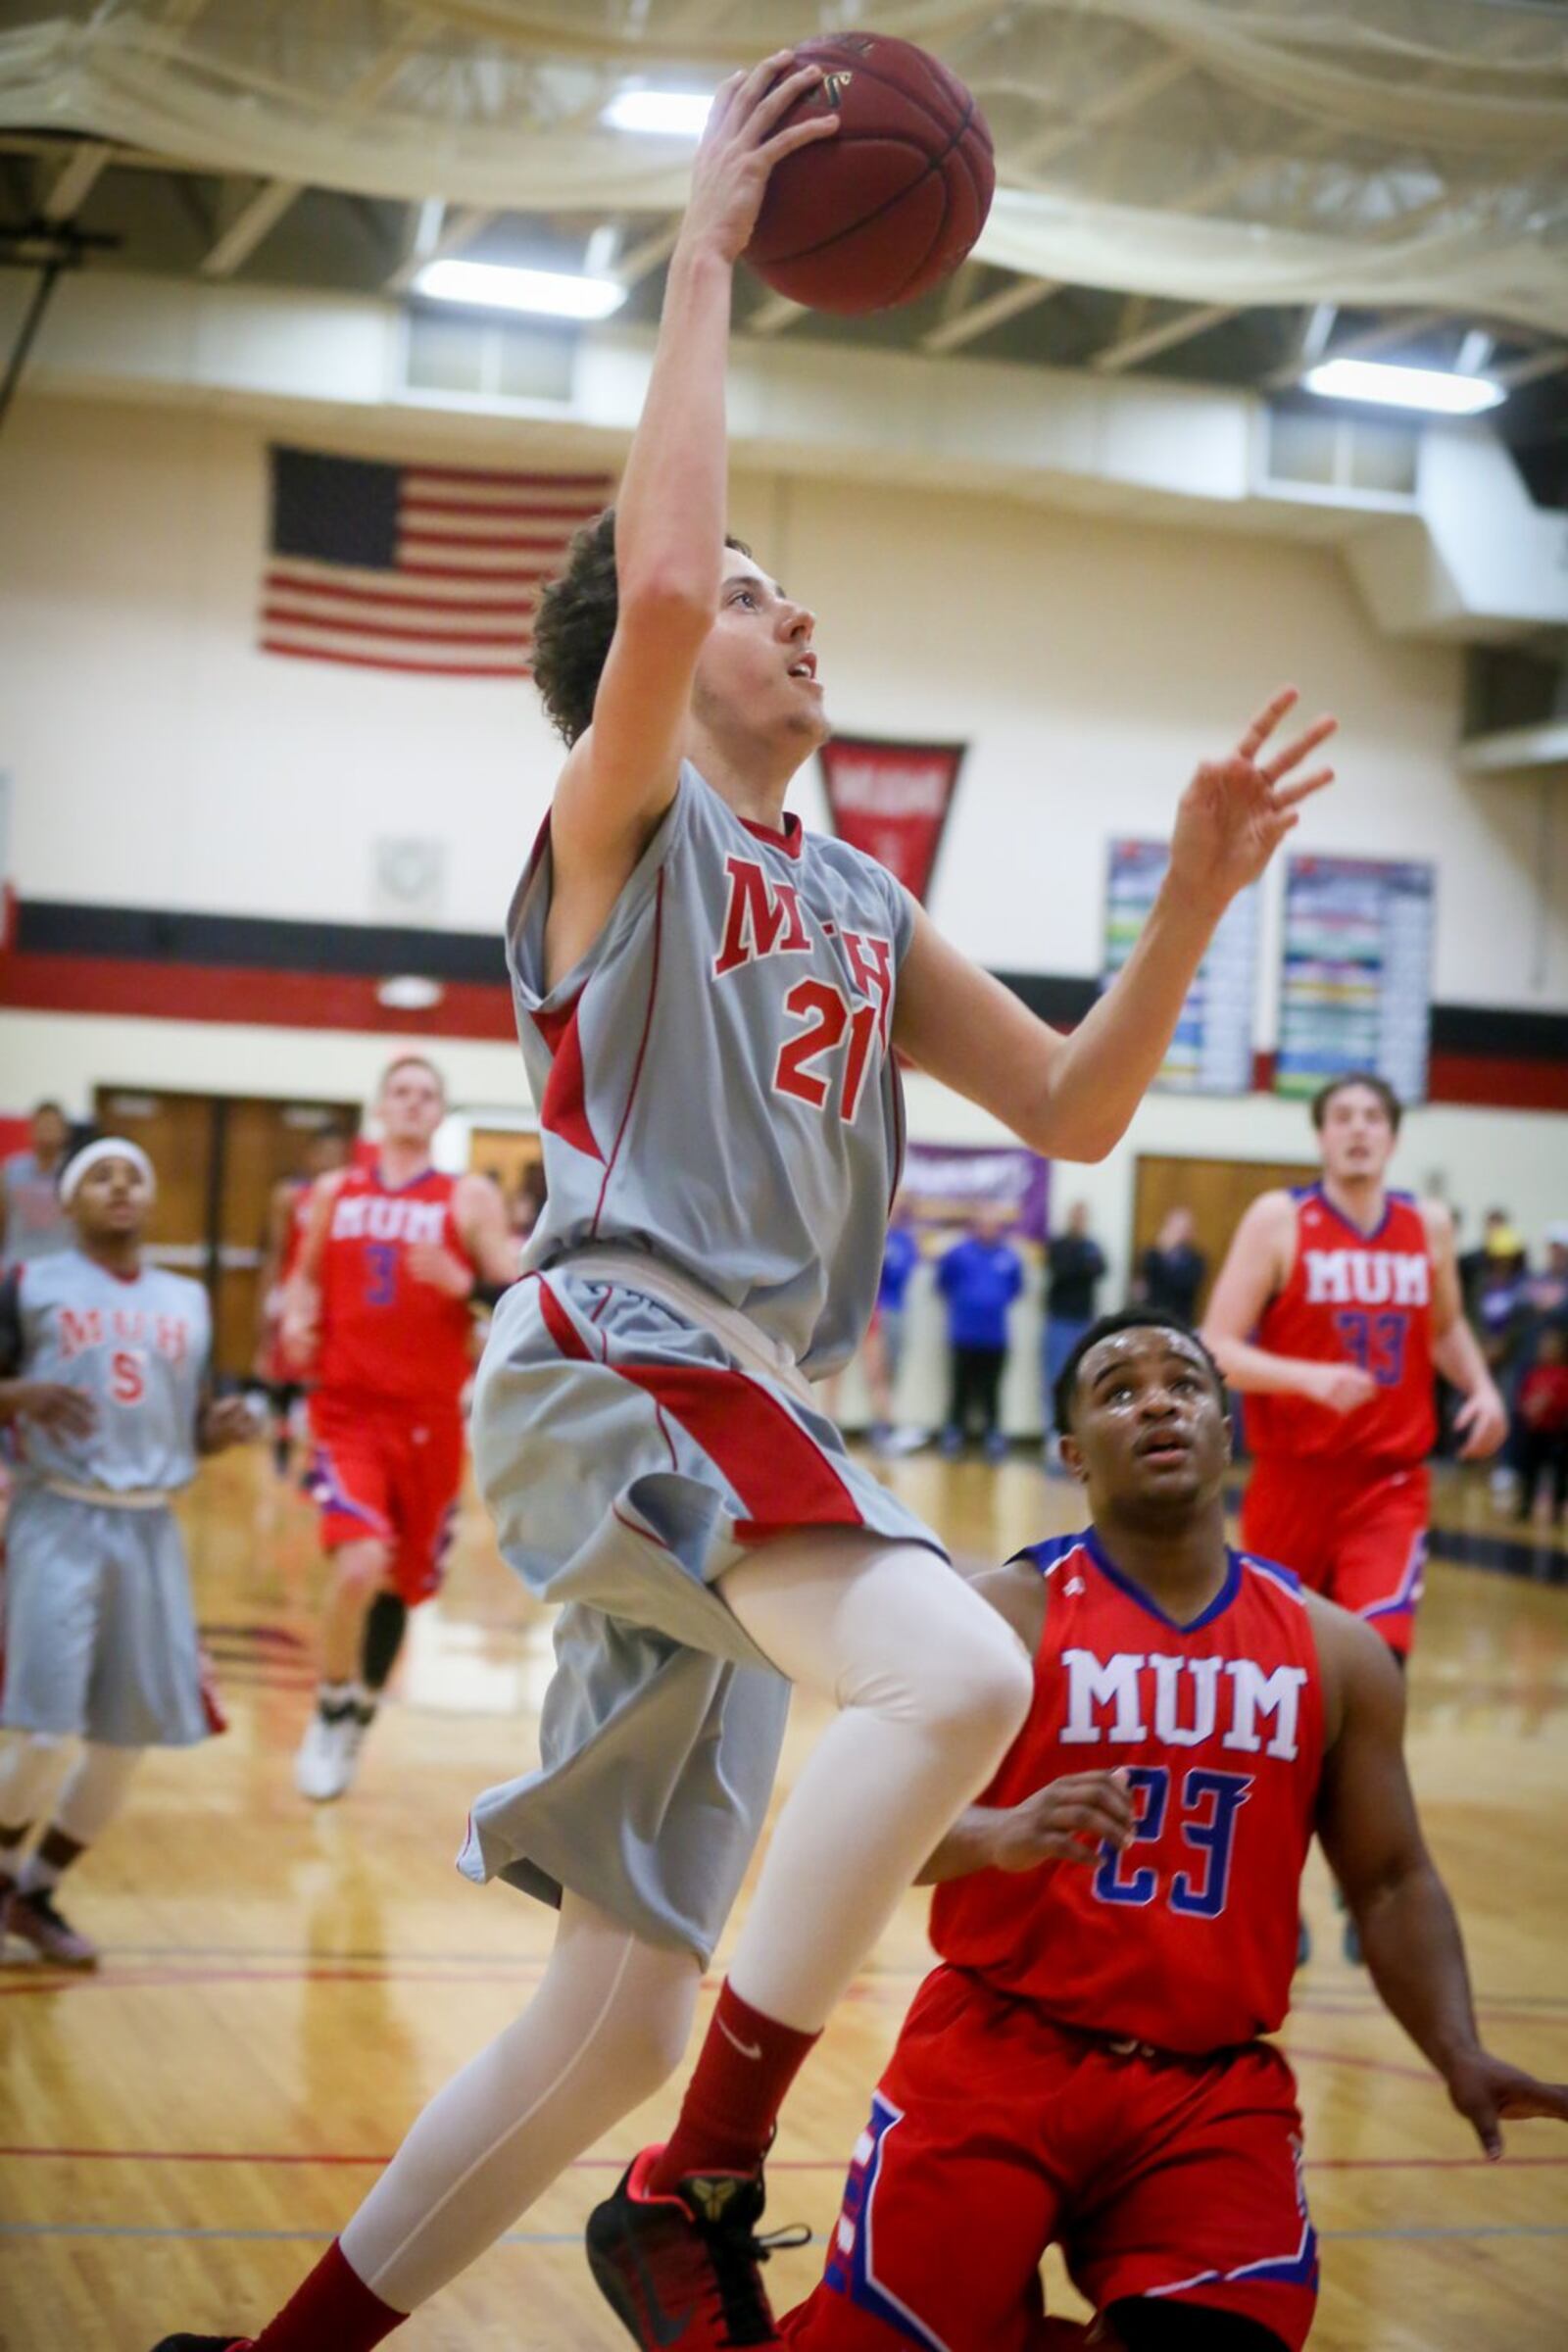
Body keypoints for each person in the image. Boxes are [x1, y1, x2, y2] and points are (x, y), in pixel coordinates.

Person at [147, 54, 1337, 2352]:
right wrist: (699, 248)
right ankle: (702, 2174)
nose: (793, 622)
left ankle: (279, 2343)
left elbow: (1083, 1109)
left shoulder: (862, 901)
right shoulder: (625, 826)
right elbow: (664, 577)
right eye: (758, 600)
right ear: (655, 670)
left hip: (734, 1410)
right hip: (623, 1352)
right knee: (965, 1661)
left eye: (796, 600)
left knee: (603, 1999)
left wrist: (1187, 899)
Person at [779, 1308, 1568, 2352]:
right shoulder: (992, 1620)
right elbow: (860, 1836)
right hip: (996, 2053)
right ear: (1071, 1454)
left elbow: (1387, 1880)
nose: (1155, 1399)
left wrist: (1454, 2046)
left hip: (1203, 2091)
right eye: (1116, 1389)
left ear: (1226, 1428)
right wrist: (1003, 1830)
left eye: (1184, 1383)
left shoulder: (1336, 1655)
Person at [0, 1140, 255, 1968]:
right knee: (43, 1733)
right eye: (100, 1174)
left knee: (125, 1743)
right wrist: (20, 1394)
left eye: (134, 1175)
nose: (120, 1186)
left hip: (150, 1526)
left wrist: (216, 1435)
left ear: (150, 1200)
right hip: (57, 1517)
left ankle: (34, 1891)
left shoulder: (187, 1300)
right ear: (67, 1202)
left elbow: (188, 1425)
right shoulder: (28, 1284)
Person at [1202, 1073, 1506, 1666]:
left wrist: (1485, 1391)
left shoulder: (1429, 1224)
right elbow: (1216, 1348)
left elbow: (1443, 1329)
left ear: (1393, 1139)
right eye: (1342, 1116)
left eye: (1373, 1117)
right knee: (1283, 1668)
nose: (1359, 1128)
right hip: (1293, 1479)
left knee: (1378, 1659)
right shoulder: (1278, 1219)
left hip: (1388, 1484)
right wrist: (1305, 1377)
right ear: (1321, 1137)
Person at [283, 1057, 514, 1803]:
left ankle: (360, 1710)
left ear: (440, 1113)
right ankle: (328, 1708)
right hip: (348, 1411)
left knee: (398, 1588)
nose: (413, 1104)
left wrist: (465, 1285)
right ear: (380, 1108)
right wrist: (293, 1314)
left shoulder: (468, 1196)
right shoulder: (333, 1192)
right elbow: (305, 1278)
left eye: (427, 1095)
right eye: (402, 1092)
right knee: (358, 1564)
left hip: (428, 1424)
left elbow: (521, 1299)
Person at [252, 1123, 352, 1478]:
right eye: (323, 1152)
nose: (329, 1160)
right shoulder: (290, 1195)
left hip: (332, 1301)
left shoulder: (348, 1196)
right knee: (282, 1379)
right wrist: (268, 1304)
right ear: (310, 1155)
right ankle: (281, 1444)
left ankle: (315, 1459)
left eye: (337, 1154)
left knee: (321, 1383)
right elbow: (276, 1252)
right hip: (293, 1294)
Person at [937, 1205, 1026, 1462]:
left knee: (991, 1391)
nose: (989, 1228)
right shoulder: (957, 1254)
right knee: (959, 1389)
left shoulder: (1009, 1256)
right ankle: (953, 1434)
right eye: (984, 1223)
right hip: (963, 1335)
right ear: (974, 1226)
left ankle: (993, 1436)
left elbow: (1016, 1289)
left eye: (993, 1223)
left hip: (995, 1337)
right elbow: (943, 1284)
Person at [1042, 1201, 1106, 1451]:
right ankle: (1052, 1436)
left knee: (1082, 1381)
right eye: (1076, 1215)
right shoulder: (1058, 1245)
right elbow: (1062, 1270)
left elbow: (1101, 1269)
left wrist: (1081, 1266)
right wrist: (1082, 1266)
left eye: (1083, 1216)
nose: (1080, 1220)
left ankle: (1078, 1435)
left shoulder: (1092, 1246)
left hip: (1084, 1322)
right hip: (1059, 1321)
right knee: (1055, 1379)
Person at [864, 1204, 919, 1454]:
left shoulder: (905, 1241)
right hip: (874, 1310)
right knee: (877, 1372)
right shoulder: (872, 1236)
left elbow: (900, 1273)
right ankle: (885, 1428)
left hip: (894, 1309)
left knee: (889, 1370)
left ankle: (886, 1426)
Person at [1, 1100, 74, 1268]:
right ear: (31, 1130)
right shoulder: (11, 1170)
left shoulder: (74, 1172)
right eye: (42, 1125)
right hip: (18, 1264)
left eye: (53, 1125)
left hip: (61, 1265)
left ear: (65, 1132)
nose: (47, 1131)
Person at [1512, 1324, 1568, 1527]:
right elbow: (1522, 1395)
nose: (1546, 1349)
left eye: (1551, 1346)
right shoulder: (1534, 1372)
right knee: (1530, 1471)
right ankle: (1525, 1506)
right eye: (1544, 1345)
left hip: (1557, 1433)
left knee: (1559, 1475)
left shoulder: (1563, 1374)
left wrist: (1549, 1403)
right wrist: (1527, 1407)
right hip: (1534, 1430)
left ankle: (1556, 1511)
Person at [1133, 1204, 1206, 1324]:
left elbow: (1182, 1284)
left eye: (1184, 1228)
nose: (1179, 1233)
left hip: (1181, 1320)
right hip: (1151, 1318)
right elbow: (1145, 1278)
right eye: (1176, 1227)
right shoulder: (1152, 1254)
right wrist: (1163, 1251)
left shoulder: (1196, 1259)